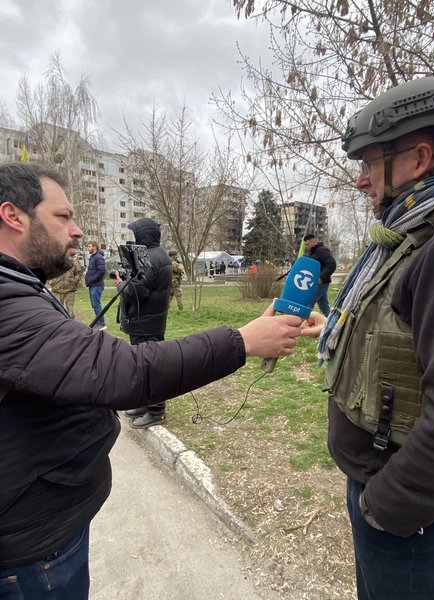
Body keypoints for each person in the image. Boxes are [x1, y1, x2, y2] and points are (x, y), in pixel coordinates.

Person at [0, 161, 304, 600]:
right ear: (14, 216)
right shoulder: (11, 298)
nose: (78, 230)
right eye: (63, 217)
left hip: (39, 538)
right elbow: (119, 370)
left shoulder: (19, 288)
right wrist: (241, 340)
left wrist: (241, 341)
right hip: (30, 549)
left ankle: (155, 410)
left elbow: (124, 368)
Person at [300, 76, 434, 600]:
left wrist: (385, 508)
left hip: (414, 518)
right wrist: (339, 330)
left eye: (368, 163)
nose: (361, 180)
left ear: (420, 157)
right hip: (389, 492)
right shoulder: (409, 235)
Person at [114, 218, 172, 429]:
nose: (134, 238)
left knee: (150, 367)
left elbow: (136, 291)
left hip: (146, 323)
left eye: (136, 234)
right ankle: (144, 404)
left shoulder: (150, 257)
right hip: (146, 321)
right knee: (143, 365)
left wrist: (121, 284)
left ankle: (156, 411)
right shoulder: (159, 254)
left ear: (143, 235)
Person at [303, 233, 336, 317]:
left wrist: (321, 278)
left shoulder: (322, 250)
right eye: (305, 245)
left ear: (314, 242)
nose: (306, 246)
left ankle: (300, 324)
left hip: (321, 282)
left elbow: (331, 264)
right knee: (324, 307)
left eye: (307, 244)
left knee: (308, 302)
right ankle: (331, 323)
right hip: (316, 283)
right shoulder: (313, 253)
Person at [85, 240, 106, 330]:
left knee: (96, 304)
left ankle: (102, 324)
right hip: (92, 285)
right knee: (94, 304)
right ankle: (98, 322)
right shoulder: (92, 257)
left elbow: (101, 271)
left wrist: (92, 279)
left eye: (89, 246)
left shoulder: (98, 257)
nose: (88, 248)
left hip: (97, 284)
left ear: (94, 247)